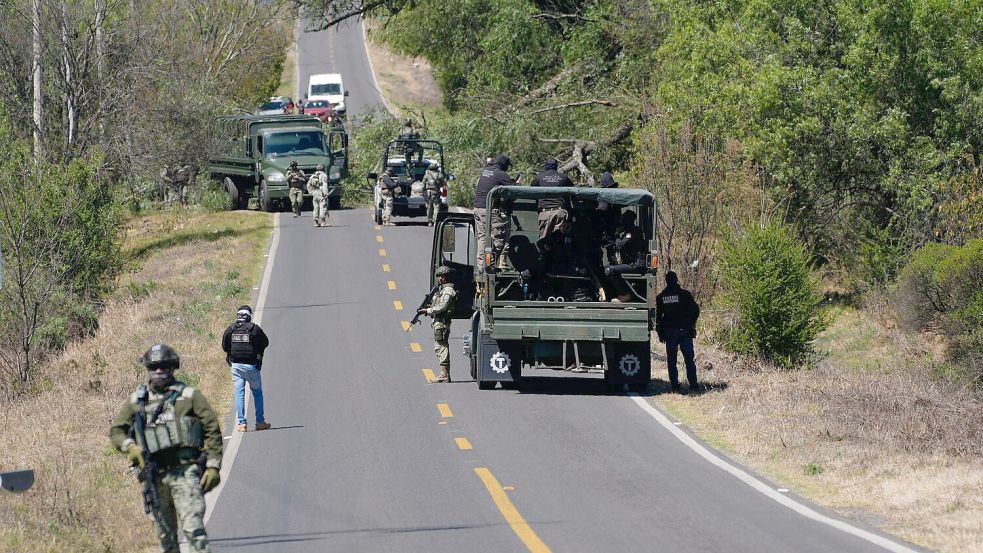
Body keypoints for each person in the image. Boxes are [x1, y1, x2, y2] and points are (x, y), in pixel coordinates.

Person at [110, 343, 223, 553]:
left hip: (185, 471)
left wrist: (213, 466)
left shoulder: (189, 396)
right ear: (147, 369)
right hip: (154, 475)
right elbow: (117, 430)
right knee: (165, 536)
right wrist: (130, 447)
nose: (159, 371)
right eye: (154, 367)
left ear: (173, 367)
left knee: (193, 529)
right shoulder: (137, 401)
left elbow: (212, 429)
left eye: (164, 366)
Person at [221, 305, 270, 432]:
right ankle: (260, 422)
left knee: (239, 394)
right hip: (251, 366)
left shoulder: (230, 329)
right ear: (249, 316)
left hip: (236, 366)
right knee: (257, 392)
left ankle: (242, 424)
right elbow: (265, 342)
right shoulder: (254, 329)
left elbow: (225, 347)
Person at [655, 271, 701, 392]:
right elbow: (695, 310)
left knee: (672, 361)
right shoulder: (685, 294)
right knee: (689, 360)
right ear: (676, 280)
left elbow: (658, 318)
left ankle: (675, 386)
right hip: (685, 331)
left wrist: (660, 333)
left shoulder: (661, 297)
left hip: (670, 333)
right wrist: (692, 324)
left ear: (666, 281)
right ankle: (694, 385)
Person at [474, 155, 515, 270]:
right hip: (489, 210)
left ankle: (482, 266)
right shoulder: (500, 174)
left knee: (482, 237)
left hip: (478, 208)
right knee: (499, 238)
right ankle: (489, 264)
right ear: (504, 165)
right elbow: (514, 190)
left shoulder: (485, 171)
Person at [418, 266, 457, 382]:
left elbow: (443, 306)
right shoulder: (441, 290)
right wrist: (428, 310)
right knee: (439, 346)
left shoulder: (448, 291)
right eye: (439, 276)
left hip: (442, 322)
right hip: (438, 321)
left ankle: (444, 375)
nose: (440, 278)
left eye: (442, 276)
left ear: (447, 277)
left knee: (441, 347)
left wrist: (428, 310)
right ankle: (444, 374)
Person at [605, 211, 647, 302]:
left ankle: (624, 294)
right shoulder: (630, 232)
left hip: (636, 265)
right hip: (632, 263)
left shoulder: (632, 232)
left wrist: (616, 234)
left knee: (610, 270)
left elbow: (620, 245)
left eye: (623, 220)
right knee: (607, 268)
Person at [531, 157, 573, 238]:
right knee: (559, 240)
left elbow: (531, 191)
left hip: (545, 212)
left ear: (546, 166)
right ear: (556, 166)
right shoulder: (564, 177)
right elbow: (572, 191)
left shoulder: (539, 177)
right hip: (560, 212)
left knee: (543, 241)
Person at [422, 162, 445, 226]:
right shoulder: (440, 175)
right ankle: (435, 222)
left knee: (429, 208)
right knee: (436, 208)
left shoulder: (426, 175)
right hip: (436, 193)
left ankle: (429, 222)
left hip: (429, 194)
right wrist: (444, 194)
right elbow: (444, 185)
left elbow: (423, 186)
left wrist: (424, 194)